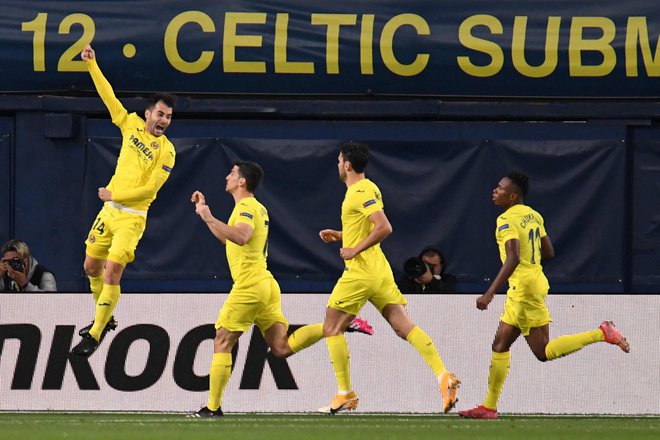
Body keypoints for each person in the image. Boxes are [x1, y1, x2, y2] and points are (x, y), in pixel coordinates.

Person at [189, 161, 373, 418]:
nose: (227, 176)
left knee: (222, 340)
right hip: (266, 285)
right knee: (281, 347)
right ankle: (335, 327)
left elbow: (240, 235)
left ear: (242, 181)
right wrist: (204, 213)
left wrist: (209, 216)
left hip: (250, 286)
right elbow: (228, 238)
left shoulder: (246, 206)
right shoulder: (256, 207)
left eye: (232, 173)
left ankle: (212, 407)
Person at [458, 171, 630, 419]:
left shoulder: (505, 220)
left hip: (523, 288)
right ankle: (489, 407)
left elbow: (514, 257)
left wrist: (489, 292)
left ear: (513, 196)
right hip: (534, 281)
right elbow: (548, 251)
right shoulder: (533, 215)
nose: (495, 190)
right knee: (500, 343)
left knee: (543, 352)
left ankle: (601, 333)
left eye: (500, 188)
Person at [318, 141, 460, 415]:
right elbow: (366, 229)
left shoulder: (358, 191)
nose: (337, 165)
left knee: (331, 327)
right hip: (379, 270)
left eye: (338, 161)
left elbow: (384, 227)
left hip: (361, 272)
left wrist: (352, 250)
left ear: (347, 165)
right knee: (403, 327)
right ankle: (444, 377)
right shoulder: (368, 188)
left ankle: (345, 393)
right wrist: (340, 236)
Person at [71, 44, 177, 357]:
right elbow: (109, 98)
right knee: (91, 267)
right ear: (148, 113)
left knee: (112, 271)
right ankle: (105, 317)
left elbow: (149, 192)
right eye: (160, 114)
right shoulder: (130, 124)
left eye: (169, 117)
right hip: (110, 212)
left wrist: (115, 194)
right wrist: (92, 64)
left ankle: (94, 333)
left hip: (131, 216)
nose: (164, 120)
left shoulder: (167, 151)